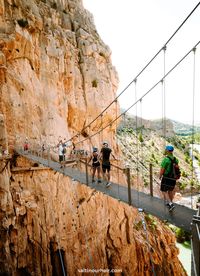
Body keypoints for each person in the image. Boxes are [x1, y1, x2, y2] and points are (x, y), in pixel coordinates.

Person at [159, 145, 179, 211]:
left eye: (166, 150)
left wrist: (160, 176)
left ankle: (170, 204)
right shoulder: (176, 159)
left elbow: (162, 169)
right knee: (170, 190)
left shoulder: (166, 159)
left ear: (167, 151)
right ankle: (170, 203)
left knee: (163, 190)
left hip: (166, 177)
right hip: (173, 178)